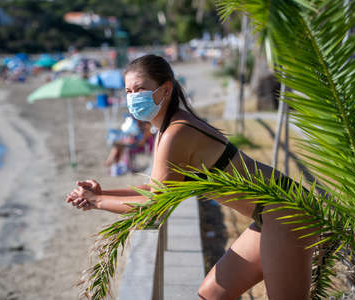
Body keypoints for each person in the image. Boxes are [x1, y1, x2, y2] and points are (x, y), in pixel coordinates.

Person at [66, 54, 315, 300]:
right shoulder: (167, 129)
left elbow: (154, 207)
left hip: (285, 211)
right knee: (211, 294)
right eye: (128, 91)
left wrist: (97, 202)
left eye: (140, 89)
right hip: (269, 213)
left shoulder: (177, 132)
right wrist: (102, 194)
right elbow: (154, 189)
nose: (133, 97)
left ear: (165, 90)